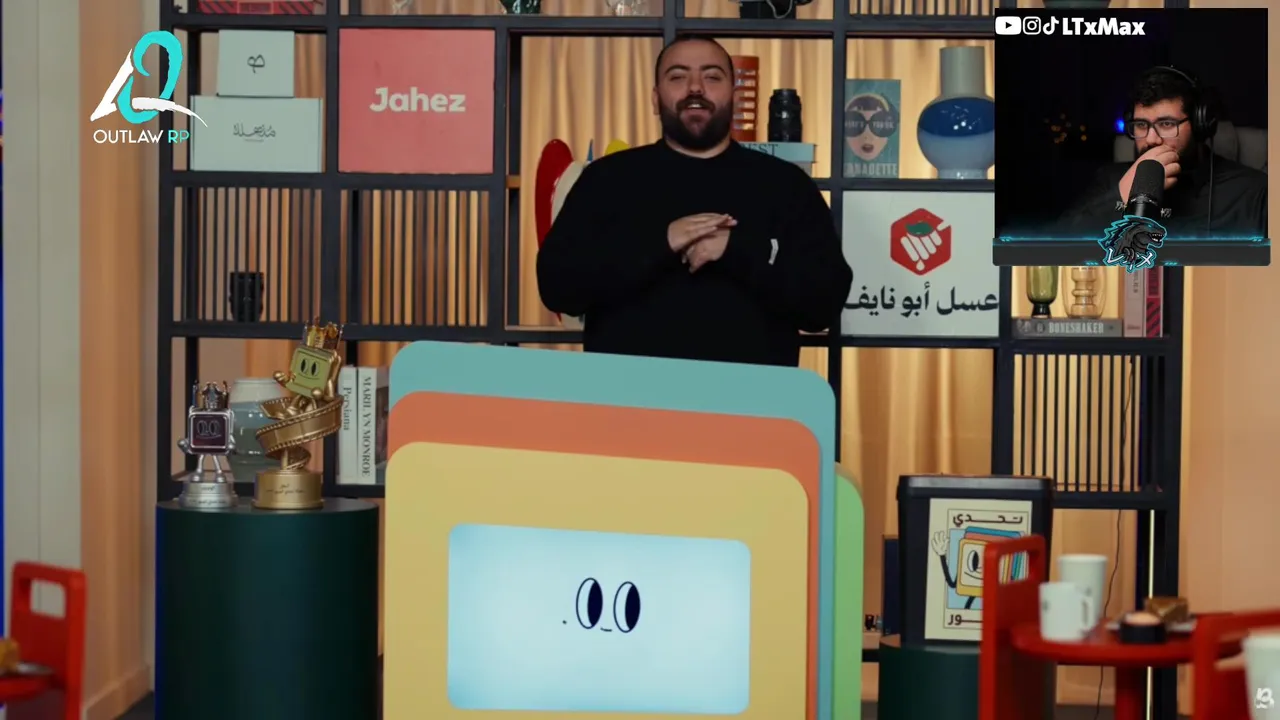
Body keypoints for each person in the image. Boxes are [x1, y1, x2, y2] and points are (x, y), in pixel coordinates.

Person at [536, 36, 853, 367]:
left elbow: (822, 307)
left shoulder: (785, 184)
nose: (696, 87)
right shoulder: (606, 179)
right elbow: (558, 289)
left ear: (734, 96)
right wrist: (661, 243)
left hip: (754, 396)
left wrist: (736, 251)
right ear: (655, 99)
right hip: (629, 393)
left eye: (712, 76)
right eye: (678, 76)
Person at [1059, 66, 1267, 238]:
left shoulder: (1254, 192)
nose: (1151, 139)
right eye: (1141, 125)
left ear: (1199, 124)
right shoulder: (1109, 180)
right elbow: (1058, 244)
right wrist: (1122, 196)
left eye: (1166, 124)